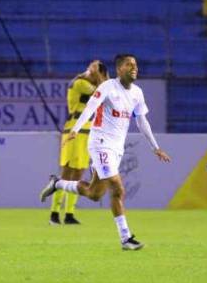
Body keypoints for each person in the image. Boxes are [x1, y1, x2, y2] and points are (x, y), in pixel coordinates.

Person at [40, 54, 171, 250]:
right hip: (100, 143)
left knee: (94, 193)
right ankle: (126, 238)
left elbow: (142, 121)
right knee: (118, 189)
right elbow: (91, 107)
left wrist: (156, 147)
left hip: (116, 148)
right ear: (119, 69)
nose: (134, 67)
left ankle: (57, 183)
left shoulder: (137, 93)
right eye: (129, 64)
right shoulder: (108, 87)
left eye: (136, 64)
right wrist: (76, 129)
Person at [48, 60, 109, 225]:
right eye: (92, 68)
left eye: (95, 69)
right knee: (67, 171)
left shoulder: (90, 83)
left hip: (87, 133)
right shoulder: (80, 83)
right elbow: (101, 91)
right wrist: (100, 76)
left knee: (79, 173)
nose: (91, 72)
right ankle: (54, 214)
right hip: (74, 131)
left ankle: (69, 214)